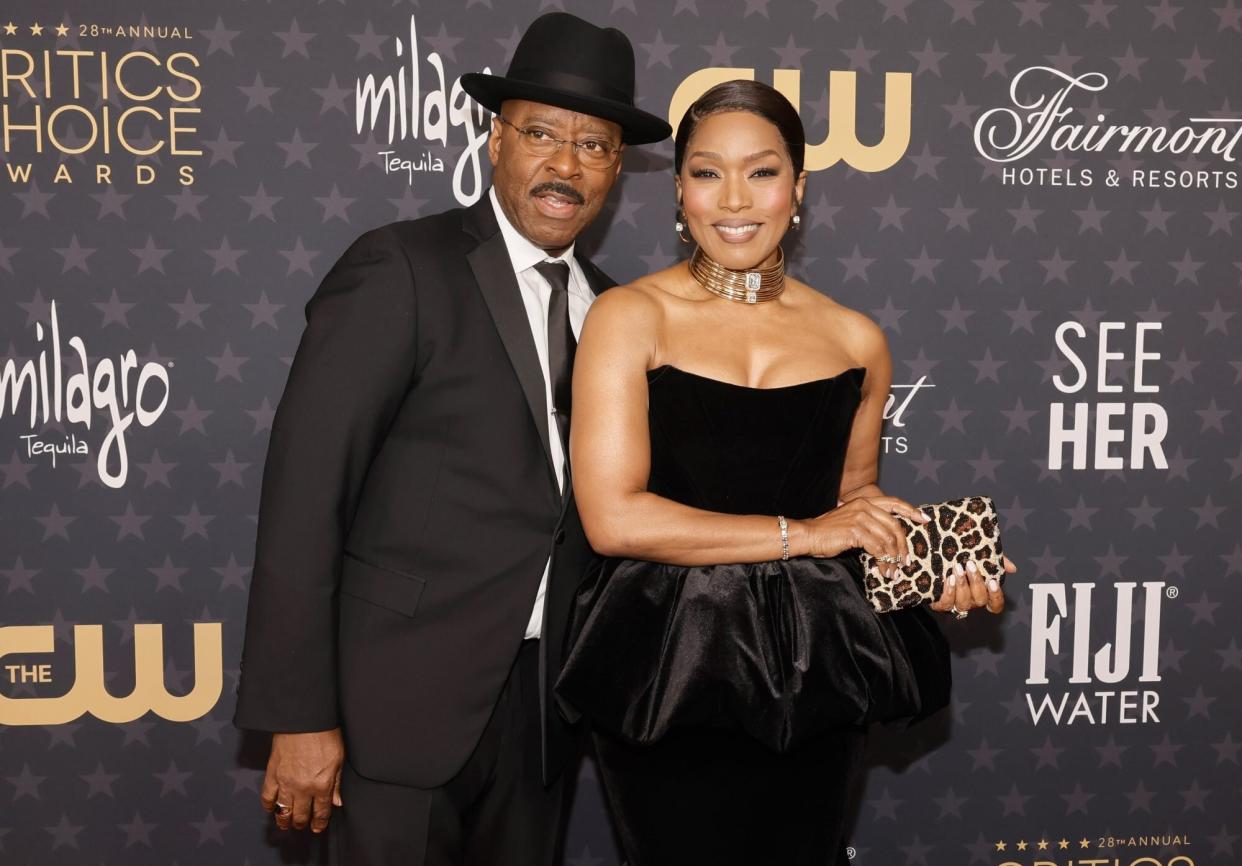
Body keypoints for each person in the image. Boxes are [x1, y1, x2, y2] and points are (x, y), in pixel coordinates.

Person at [232, 12, 671, 866]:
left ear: (617, 170)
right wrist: (299, 713)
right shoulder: (401, 267)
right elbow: (305, 494)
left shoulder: (620, 312)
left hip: (544, 720)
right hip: (390, 711)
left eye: (594, 145)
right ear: (495, 139)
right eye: (541, 133)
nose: (565, 165)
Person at [556, 80, 1018, 865]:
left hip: (818, 663)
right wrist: (803, 534)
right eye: (706, 172)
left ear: (798, 188)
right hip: (671, 663)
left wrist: (928, 555)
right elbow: (614, 518)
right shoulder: (629, 318)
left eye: (762, 171)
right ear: (678, 190)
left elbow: (855, 499)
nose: (734, 198)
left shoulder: (856, 339)